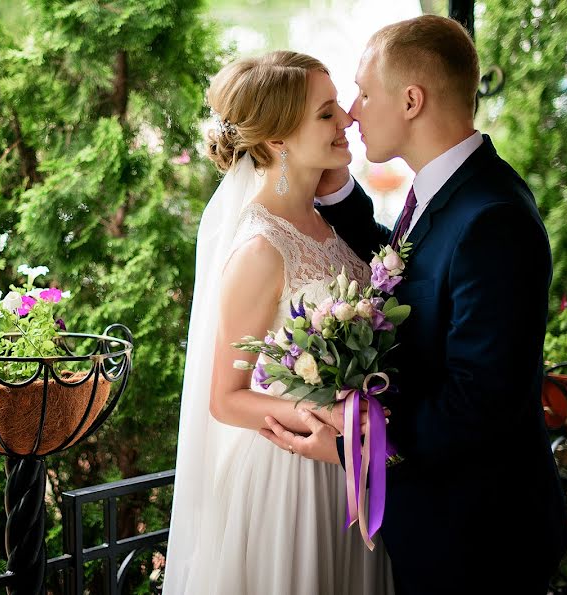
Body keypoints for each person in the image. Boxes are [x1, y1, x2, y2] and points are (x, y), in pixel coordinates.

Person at [260, 15, 567, 595]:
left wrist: (357, 449)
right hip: (442, 523)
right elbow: (410, 274)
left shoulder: (493, 217)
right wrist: (339, 196)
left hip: (480, 541)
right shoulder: (450, 190)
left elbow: (478, 402)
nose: (352, 111)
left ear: (410, 100)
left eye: (364, 92)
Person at [162, 51, 394, 595]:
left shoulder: (324, 223)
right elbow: (226, 398)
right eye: (325, 113)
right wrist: (323, 412)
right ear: (277, 141)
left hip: (346, 467)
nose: (346, 121)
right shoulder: (261, 247)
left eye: (338, 106)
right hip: (291, 476)